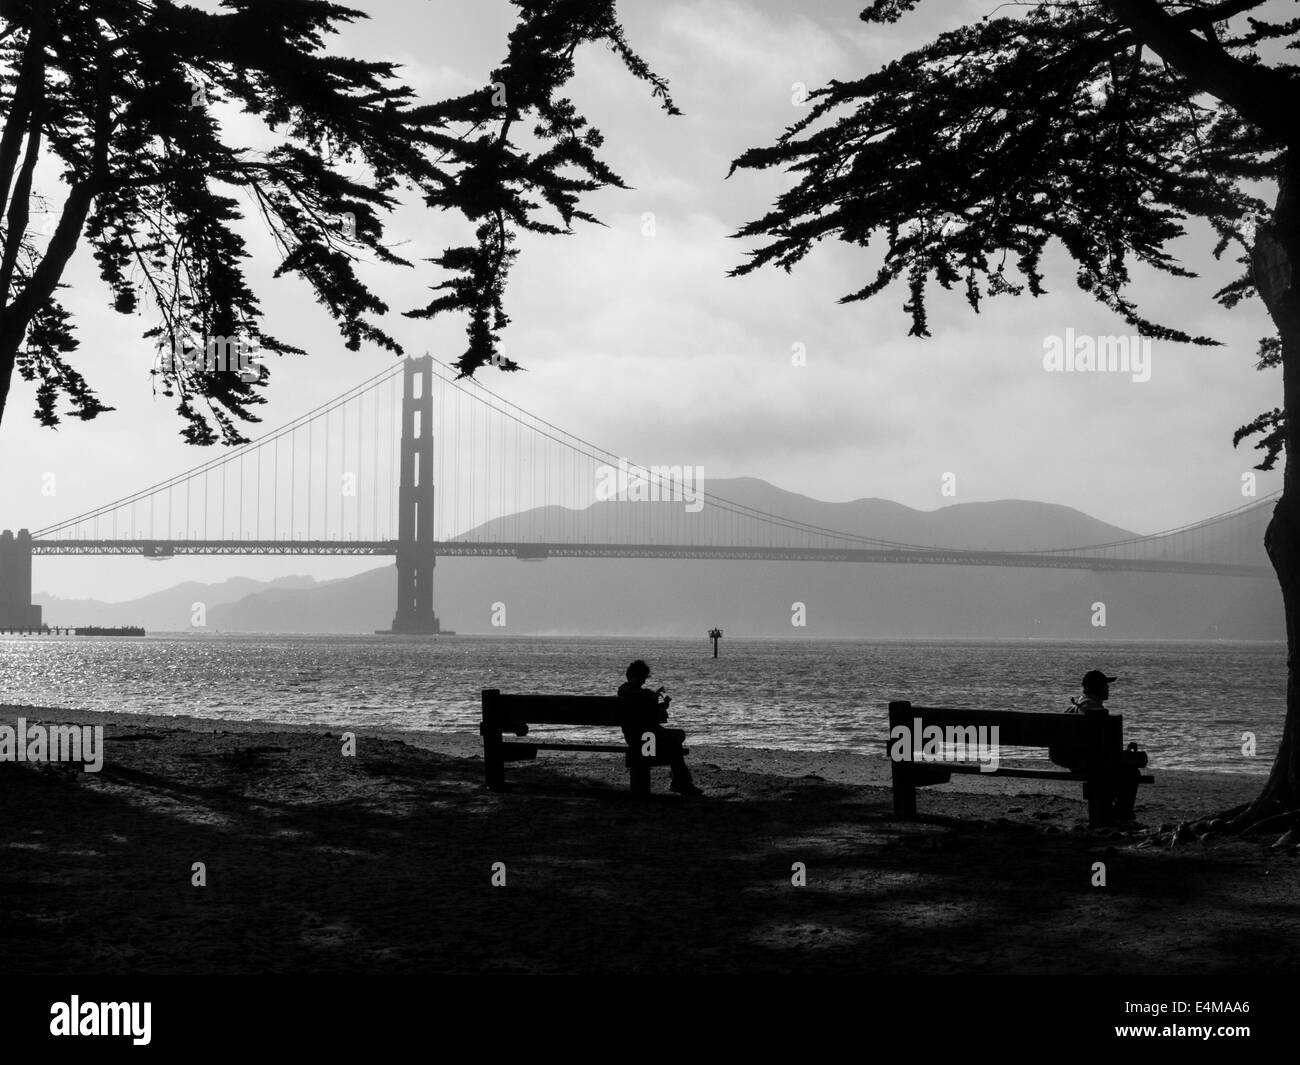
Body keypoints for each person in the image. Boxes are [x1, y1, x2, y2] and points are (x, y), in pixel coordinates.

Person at [1049, 669, 1144, 826]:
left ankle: (1113, 814)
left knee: (1115, 767)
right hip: (1086, 762)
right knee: (1131, 772)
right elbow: (1106, 750)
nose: (1108, 689)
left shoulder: (1074, 706)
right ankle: (1122, 815)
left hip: (1068, 759)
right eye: (1105, 685)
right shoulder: (1096, 711)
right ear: (1097, 688)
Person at [617, 660, 702, 797]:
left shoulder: (628, 693)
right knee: (675, 745)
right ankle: (681, 783)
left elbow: (645, 712)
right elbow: (645, 712)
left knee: (677, 738)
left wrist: (660, 705)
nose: (644, 682)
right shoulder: (633, 694)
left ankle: (681, 782)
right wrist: (653, 698)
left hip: (640, 738)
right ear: (634, 677)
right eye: (642, 678)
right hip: (644, 743)